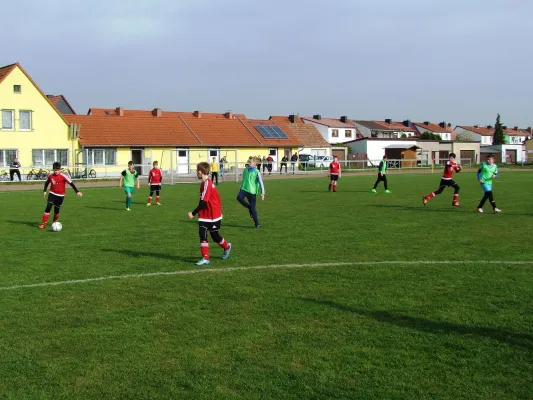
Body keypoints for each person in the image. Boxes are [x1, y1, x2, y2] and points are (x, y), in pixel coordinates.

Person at [188, 162, 232, 266]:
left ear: (200, 172)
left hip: (213, 214)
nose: (196, 173)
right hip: (204, 214)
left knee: (215, 236)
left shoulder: (207, 183)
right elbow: (202, 201)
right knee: (202, 235)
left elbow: (204, 202)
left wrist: (193, 213)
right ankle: (205, 258)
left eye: (196, 170)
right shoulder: (203, 183)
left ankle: (227, 247)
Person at [39, 162, 82, 229]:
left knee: (57, 210)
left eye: (58, 170)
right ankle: (43, 224)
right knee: (48, 206)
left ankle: (55, 221)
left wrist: (77, 191)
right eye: (55, 170)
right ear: (53, 170)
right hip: (52, 194)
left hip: (60, 196)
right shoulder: (51, 176)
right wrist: (44, 191)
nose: (56, 171)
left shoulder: (63, 176)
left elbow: (71, 183)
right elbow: (46, 183)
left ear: (60, 169)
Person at [237, 156, 265, 228]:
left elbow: (261, 183)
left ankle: (257, 223)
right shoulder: (245, 170)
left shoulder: (257, 172)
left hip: (252, 192)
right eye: (249, 161)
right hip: (244, 189)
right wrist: (240, 188)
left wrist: (262, 193)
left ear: (255, 163)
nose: (249, 162)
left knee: (253, 208)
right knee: (239, 198)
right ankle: (248, 207)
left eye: (251, 162)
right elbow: (243, 179)